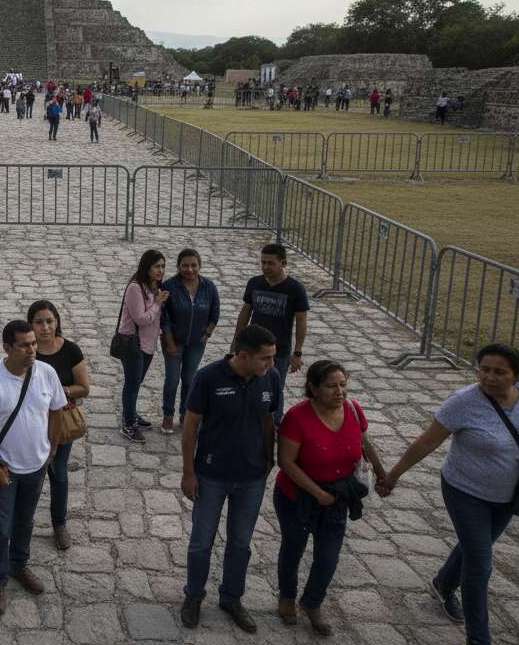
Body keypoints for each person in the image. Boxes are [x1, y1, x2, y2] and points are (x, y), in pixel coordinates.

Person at [378, 344, 519, 645]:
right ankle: (479, 638)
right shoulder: (463, 402)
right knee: (480, 564)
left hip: (509, 496)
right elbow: (426, 442)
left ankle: (443, 583)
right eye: (484, 370)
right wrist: (392, 476)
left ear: (517, 375)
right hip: (465, 491)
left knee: (474, 547)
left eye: (499, 372)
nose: (489, 377)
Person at [180, 324, 282, 634]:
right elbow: (190, 426)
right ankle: (194, 596)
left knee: (240, 543)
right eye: (265, 358)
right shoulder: (209, 378)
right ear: (242, 355)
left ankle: (232, 598)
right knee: (201, 542)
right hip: (211, 475)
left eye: (273, 357)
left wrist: (268, 458)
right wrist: (188, 472)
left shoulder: (271, 379)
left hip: (251, 477)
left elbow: (269, 419)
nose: (271, 364)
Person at [275, 359, 386, 636]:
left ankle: (312, 602)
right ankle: (287, 597)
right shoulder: (298, 417)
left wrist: (383, 474)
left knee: (328, 557)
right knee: (294, 548)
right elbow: (286, 462)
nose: (340, 392)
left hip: (338, 496)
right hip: (297, 497)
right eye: (331, 386)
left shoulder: (351, 408)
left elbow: (363, 441)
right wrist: (317, 493)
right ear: (312, 388)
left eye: (343, 385)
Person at [0, 320, 67, 615]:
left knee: (25, 521)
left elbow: (56, 413)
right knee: (1, 527)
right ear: (7, 348)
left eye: (34, 343)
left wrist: (51, 451)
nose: (32, 349)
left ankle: (19, 565)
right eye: (24, 345)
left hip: (36, 465)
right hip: (5, 469)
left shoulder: (48, 373)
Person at [27, 301, 89, 550]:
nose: (45, 327)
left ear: (57, 322)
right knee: (32, 473)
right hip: (31, 423)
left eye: (49, 321)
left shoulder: (70, 350)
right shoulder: (27, 351)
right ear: (31, 325)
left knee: (59, 472)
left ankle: (59, 523)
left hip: (61, 421)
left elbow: (83, 388)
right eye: (39, 322)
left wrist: (59, 391)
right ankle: (23, 522)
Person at [233, 243, 309, 420]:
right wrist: (237, 339)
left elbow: (301, 321)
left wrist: (297, 352)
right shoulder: (254, 283)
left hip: (279, 351)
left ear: (283, 263)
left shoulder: (295, 289)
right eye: (263, 262)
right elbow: (246, 311)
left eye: (271, 263)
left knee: (275, 388)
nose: (266, 267)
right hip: (252, 348)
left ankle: (275, 423)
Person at [160, 248, 220, 434]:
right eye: (185, 265)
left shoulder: (208, 286)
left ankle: (186, 415)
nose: (190, 269)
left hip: (197, 343)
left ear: (199, 265)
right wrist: (169, 342)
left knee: (190, 379)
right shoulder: (169, 286)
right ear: (178, 266)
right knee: (172, 379)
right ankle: (168, 415)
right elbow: (164, 318)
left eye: (194, 265)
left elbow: (215, 312)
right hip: (173, 341)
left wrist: (207, 333)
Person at [116, 250, 169, 442]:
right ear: (147, 267)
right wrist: (157, 304)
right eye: (156, 266)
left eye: (163, 266)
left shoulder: (156, 287)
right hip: (132, 344)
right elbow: (141, 318)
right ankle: (128, 424)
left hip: (147, 344)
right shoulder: (135, 288)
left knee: (137, 382)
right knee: (132, 384)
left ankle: (131, 414)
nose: (160, 270)